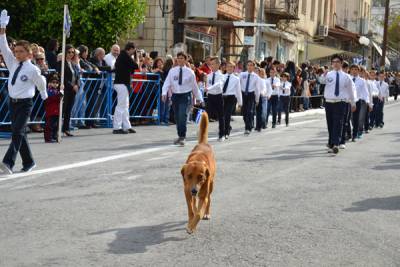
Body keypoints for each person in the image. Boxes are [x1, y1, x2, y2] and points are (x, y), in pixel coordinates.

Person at [0, 23, 48, 174]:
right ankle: (29, 162)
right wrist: (2, 29)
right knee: (19, 133)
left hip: (25, 104)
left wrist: (44, 93)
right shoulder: (12, 63)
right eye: (16, 51)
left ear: (29, 54)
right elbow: (3, 48)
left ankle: (8, 162)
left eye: (21, 51)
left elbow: (41, 81)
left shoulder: (32, 69)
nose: (17, 54)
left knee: (17, 132)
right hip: (12, 103)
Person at [161, 51, 203, 146]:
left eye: (182, 58)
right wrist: (164, 93)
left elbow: (194, 87)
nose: (180, 60)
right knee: (177, 117)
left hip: (185, 96)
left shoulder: (190, 72)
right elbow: (167, 83)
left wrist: (199, 98)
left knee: (182, 116)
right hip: (175, 96)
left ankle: (182, 137)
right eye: (178, 58)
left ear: (185, 60)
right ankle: (180, 135)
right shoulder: (172, 71)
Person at [324, 55, 356, 154]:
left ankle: (336, 144)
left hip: (340, 102)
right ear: (332, 64)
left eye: (337, 61)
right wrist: (322, 75)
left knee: (338, 123)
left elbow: (351, 90)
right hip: (329, 102)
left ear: (341, 63)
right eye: (333, 62)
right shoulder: (328, 74)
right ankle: (331, 143)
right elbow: (321, 81)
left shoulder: (347, 77)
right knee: (330, 123)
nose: (335, 63)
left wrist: (353, 102)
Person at [113, 41, 139, 134]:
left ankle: (126, 125)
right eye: (134, 50)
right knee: (121, 105)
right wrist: (137, 57)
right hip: (121, 83)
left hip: (122, 83)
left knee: (125, 105)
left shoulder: (123, 56)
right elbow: (136, 66)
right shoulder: (125, 55)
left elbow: (132, 68)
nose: (134, 52)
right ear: (131, 49)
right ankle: (117, 127)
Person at [57, 44, 80, 137]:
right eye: (69, 52)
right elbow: (62, 77)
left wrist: (77, 85)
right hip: (65, 89)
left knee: (69, 110)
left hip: (73, 90)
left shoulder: (73, 64)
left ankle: (66, 128)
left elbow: (77, 76)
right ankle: (57, 129)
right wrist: (71, 86)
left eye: (72, 52)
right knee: (62, 109)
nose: (71, 54)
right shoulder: (61, 63)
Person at [206, 57, 225, 141]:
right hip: (210, 96)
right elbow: (207, 85)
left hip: (218, 96)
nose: (211, 66)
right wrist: (207, 90)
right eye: (210, 64)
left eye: (213, 64)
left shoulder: (221, 75)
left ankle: (222, 134)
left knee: (221, 116)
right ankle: (203, 133)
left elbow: (218, 84)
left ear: (218, 65)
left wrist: (209, 88)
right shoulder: (209, 75)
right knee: (207, 115)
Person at [239, 60, 261, 135]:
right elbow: (238, 84)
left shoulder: (256, 77)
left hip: (251, 95)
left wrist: (257, 99)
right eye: (248, 65)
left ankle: (247, 128)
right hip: (243, 94)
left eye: (251, 65)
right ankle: (249, 123)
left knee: (249, 111)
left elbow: (257, 89)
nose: (249, 67)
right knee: (244, 113)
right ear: (246, 66)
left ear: (254, 67)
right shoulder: (242, 74)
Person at [349, 64, 369, 141]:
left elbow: (365, 92)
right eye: (353, 69)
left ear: (358, 71)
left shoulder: (362, 81)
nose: (354, 71)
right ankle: (355, 129)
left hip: (358, 101)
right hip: (349, 101)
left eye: (356, 69)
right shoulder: (348, 79)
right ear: (350, 70)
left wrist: (367, 101)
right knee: (351, 118)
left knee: (357, 118)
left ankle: (355, 134)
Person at [222, 61, 242, 139]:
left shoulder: (236, 79)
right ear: (225, 68)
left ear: (234, 69)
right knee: (222, 115)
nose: (229, 68)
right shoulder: (222, 77)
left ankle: (226, 132)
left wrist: (240, 103)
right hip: (223, 97)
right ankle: (228, 127)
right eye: (228, 66)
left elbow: (238, 91)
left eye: (231, 67)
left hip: (231, 98)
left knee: (227, 115)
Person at [44, 74, 61, 143]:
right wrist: (58, 96)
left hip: (56, 111)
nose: (55, 84)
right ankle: (48, 138)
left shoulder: (56, 91)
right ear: (49, 83)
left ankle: (54, 136)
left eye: (57, 83)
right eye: (53, 82)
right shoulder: (49, 91)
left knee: (56, 125)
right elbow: (51, 99)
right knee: (49, 125)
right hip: (51, 111)